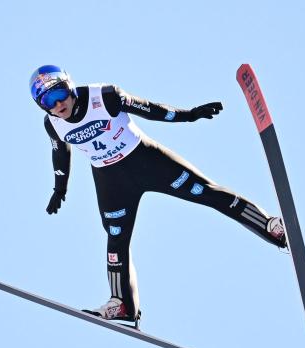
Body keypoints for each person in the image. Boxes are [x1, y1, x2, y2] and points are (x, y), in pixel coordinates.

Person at [29, 65, 286, 324]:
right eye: (47, 101)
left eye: (59, 94)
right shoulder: (52, 124)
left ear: (69, 86)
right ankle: (122, 304)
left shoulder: (104, 96)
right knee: (116, 238)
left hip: (147, 162)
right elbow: (60, 153)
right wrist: (59, 189)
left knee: (206, 193)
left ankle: (270, 227)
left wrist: (190, 115)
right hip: (111, 181)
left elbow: (150, 109)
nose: (58, 104)